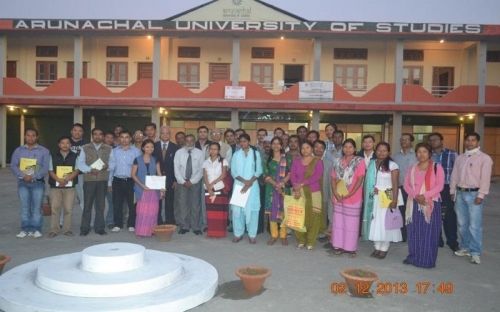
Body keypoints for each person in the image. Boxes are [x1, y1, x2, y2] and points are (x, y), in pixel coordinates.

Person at [450, 132, 493, 265]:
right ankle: (465, 247)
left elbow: (485, 179)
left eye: (473, 140)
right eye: (468, 140)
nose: (470, 142)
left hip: (474, 194)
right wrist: (452, 191)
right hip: (460, 193)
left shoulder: (485, 158)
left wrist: (481, 195)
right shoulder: (460, 158)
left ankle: (475, 252)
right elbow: (454, 175)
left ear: (478, 142)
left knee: (475, 225)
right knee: (462, 224)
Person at [403, 143, 445, 268]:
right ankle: (413, 257)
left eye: (424, 151)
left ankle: (426, 260)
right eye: (419, 152)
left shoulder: (437, 167)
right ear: (416, 154)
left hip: (430, 204)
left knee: (428, 232)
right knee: (414, 231)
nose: (421, 154)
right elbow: (406, 185)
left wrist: (424, 196)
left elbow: (439, 186)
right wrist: (417, 196)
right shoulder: (412, 168)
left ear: (430, 153)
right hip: (414, 203)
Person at [10, 128, 50, 238]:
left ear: (37, 137)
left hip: (38, 183)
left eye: (33, 135)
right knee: (25, 207)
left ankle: (36, 229)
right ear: (24, 137)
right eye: (28, 135)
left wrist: (33, 176)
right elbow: (13, 165)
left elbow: (45, 168)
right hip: (23, 183)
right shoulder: (18, 151)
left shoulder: (44, 151)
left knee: (37, 207)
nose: (30, 137)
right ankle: (25, 229)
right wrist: (24, 176)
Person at [330, 139, 366, 257]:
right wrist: (335, 192)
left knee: (351, 223)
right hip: (339, 196)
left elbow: (360, 179)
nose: (348, 149)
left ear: (355, 149)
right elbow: (333, 178)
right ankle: (338, 245)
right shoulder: (337, 161)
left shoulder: (359, 161)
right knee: (338, 222)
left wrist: (350, 194)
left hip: (353, 197)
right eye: (345, 147)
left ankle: (350, 248)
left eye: (351, 147)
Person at [367, 142, 402, 259]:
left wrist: (394, 200)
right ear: (375, 151)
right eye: (379, 150)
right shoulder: (372, 164)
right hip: (375, 198)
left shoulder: (393, 165)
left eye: (384, 150)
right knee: (375, 222)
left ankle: (384, 248)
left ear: (388, 152)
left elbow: (395, 184)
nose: (381, 153)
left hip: (387, 196)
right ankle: (377, 246)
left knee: (385, 223)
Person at [76, 128, 112, 236]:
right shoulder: (85, 147)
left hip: (102, 180)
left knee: (100, 206)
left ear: (103, 136)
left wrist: (107, 166)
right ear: (92, 136)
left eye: (100, 134)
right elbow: (80, 164)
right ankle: (84, 228)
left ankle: (99, 228)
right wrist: (90, 169)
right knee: (87, 205)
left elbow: (113, 162)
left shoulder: (109, 148)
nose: (98, 136)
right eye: (95, 134)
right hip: (89, 180)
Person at [290, 141, 324, 250]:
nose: (305, 150)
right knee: (299, 216)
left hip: (314, 192)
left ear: (312, 149)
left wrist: (302, 184)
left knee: (314, 216)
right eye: (303, 148)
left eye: (307, 147)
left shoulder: (317, 161)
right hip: (298, 191)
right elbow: (292, 175)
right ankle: (301, 239)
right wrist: (296, 186)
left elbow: (317, 176)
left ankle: (310, 241)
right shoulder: (296, 161)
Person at [428, 132, 459, 251]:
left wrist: (454, 190)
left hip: (446, 188)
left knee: (448, 215)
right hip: (431, 189)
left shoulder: (452, 154)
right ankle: (437, 239)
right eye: (430, 140)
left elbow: (457, 172)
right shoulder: (428, 155)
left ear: (441, 141)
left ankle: (452, 241)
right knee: (433, 214)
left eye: (435, 140)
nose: (432, 142)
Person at [230, 134, 263, 244]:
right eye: (241, 141)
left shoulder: (255, 154)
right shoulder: (236, 155)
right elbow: (233, 172)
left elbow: (259, 171)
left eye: (245, 141)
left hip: (252, 186)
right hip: (239, 185)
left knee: (253, 211)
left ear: (249, 141)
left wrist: (249, 182)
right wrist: (245, 182)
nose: (243, 143)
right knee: (237, 211)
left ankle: (252, 234)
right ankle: (238, 234)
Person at [109, 130, 141, 232]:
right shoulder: (114, 151)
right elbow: (111, 168)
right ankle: (117, 224)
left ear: (130, 139)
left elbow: (139, 168)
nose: (124, 139)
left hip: (131, 180)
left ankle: (131, 224)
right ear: (119, 139)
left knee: (132, 203)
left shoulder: (136, 151)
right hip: (117, 180)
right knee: (117, 203)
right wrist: (109, 182)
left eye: (126, 137)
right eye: (122, 137)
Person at [47, 136, 80, 238]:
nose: (65, 145)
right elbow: (50, 170)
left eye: (67, 143)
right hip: (55, 186)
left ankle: (67, 230)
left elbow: (77, 170)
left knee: (68, 209)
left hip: (70, 186)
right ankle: (54, 230)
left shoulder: (75, 156)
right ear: (59, 144)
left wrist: (67, 179)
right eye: (62, 143)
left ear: (70, 145)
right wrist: (58, 180)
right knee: (55, 208)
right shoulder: (52, 155)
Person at [174, 134, 205, 235]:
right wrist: (182, 181)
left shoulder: (200, 153)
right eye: (187, 140)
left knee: (195, 205)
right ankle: (184, 226)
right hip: (182, 182)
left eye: (192, 140)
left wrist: (192, 181)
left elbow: (201, 169)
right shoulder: (179, 153)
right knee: (182, 204)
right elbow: (176, 168)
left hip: (195, 182)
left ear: (194, 141)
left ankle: (196, 226)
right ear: (184, 141)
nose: (189, 142)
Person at [131, 139, 163, 237]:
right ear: (143, 148)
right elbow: (133, 175)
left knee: (153, 211)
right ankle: (141, 231)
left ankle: (151, 230)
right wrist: (142, 185)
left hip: (154, 189)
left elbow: (159, 174)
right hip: (141, 189)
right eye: (147, 147)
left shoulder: (155, 159)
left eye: (152, 147)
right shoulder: (137, 159)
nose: (150, 149)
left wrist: (162, 189)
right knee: (142, 211)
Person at [263, 137, 292, 246]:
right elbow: (265, 174)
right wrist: (276, 184)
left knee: (284, 212)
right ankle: (274, 235)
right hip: (271, 189)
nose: (276, 146)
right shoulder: (267, 159)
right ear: (271, 145)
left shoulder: (287, 158)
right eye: (273, 144)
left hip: (284, 188)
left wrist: (282, 183)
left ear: (281, 145)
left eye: (278, 144)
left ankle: (283, 235)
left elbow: (290, 173)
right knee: (272, 212)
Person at [393, 133, 417, 242]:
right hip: (400, 187)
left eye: (406, 140)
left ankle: (413, 234)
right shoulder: (395, 156)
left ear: (411, 141)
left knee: (413, 211)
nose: (404, 142)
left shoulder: (416, 155)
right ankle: (403, 235)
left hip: (413, 189)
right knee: (401, 211)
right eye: (402, 140)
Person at [203, 142, 230, 238]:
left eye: (215, 149)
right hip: (208, 189)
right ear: (208, 150)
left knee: (220, 212)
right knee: (210, 212)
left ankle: (220, 233)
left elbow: (223, 175)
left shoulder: (223, 161)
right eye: (211, 149)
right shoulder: (205, 162)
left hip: (219, 188)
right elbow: (205, 176)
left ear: (218, 150)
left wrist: (212, 184)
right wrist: (208, 187)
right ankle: (211, 232)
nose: (213, 151)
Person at [154, 126, 178, 225]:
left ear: (170, 134)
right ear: (159, 134)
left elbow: (177, 165)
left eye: (167, 133)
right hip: (155, 178)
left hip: (170, 179)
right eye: (163, 133)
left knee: (170, 201)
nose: (165, 135)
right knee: (157, 201)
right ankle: (157, 221)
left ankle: (170, 221)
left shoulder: (175, 147)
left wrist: (175, 180)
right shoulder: (153, 146)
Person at [313, 140, 329, 240]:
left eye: (321, 147)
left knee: (323, 211)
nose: (318, 149)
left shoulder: (329, 162)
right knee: (312, 211)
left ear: (324, 150)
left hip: (324, 190)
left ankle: (322, 230)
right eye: (316, 147)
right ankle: (312, 230)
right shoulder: (308, 160)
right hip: (311, 190)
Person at [70, 123, 85, 212]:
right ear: (71, 131)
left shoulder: (86, 144)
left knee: (83, 197)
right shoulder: (65, 142)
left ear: (82, 133)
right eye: (75, 130)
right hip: (66, 174)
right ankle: (61, 222)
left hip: (81, 174)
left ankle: (86, 221)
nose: (77, 132)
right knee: (65, 199)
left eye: (80, 131)